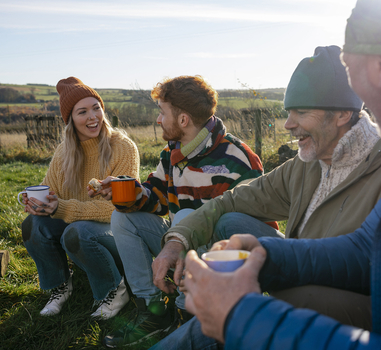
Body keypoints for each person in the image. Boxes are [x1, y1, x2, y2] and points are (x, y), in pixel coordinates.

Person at [178, 0, 381, 348]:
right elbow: (368, 247)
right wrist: (266, 254)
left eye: (350, 67)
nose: (355, 93)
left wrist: (241, 317)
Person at [150, 46, 381, 349]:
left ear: (343, 114)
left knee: (238, 313)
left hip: (362, 316)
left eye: (301, 112)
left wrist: (248, 290)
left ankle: (240, 317)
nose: (288, 124)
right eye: (288, 112)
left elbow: (380, 271)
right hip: (299, 274)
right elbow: (231, 200)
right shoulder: (307, 165)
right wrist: (178, 240)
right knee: (231, 221)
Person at [97, 75, 276, 348]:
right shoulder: (171, 154)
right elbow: (155, 199)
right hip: (176, 243)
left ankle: (189, 310)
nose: (158, 120)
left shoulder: (238, 158)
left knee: (185, 216)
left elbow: (254, 229)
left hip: (220, 262)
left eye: (162, 112)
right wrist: (129, 194)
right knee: (122, 217)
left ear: (183, 120)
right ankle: (153, 311)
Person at [21, 77, 140, 320]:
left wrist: (62, 208)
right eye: (82, 111)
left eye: (96, 108)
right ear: (70, 120)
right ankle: (60, 286)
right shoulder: (64, 151)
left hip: (116, 234)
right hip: (77, 228)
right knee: (32, 225)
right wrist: (35, 202)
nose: (93, 116)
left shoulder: (123, 147)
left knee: (77, 231)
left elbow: (118, 208)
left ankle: (114, 289)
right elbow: (49, 189)